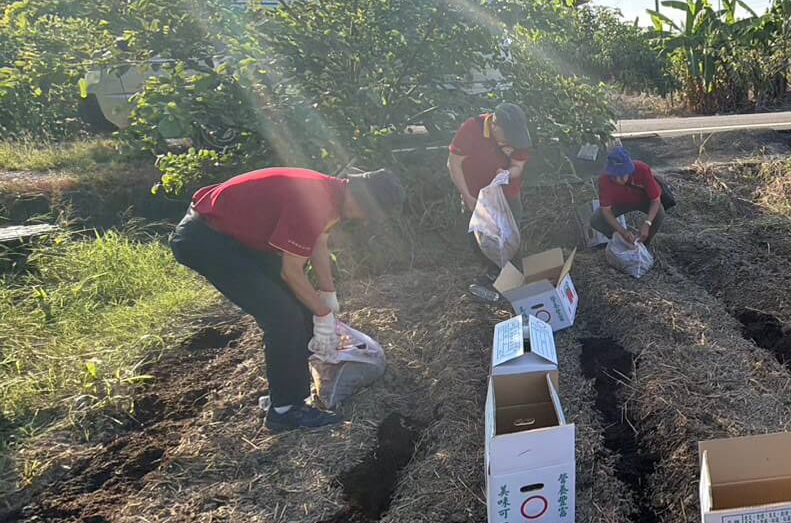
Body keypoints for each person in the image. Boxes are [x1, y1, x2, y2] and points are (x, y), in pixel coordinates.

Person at [169, 166, 405, 432]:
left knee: (302, 310)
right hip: (206, 240)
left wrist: (327, 294)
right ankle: (284, 411)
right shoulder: (314, 202)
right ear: (362, 198)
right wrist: (324, 316)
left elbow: (319, 242)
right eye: (368, 213)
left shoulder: (333, 193)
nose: (363, 220)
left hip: (233, 238)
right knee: (282, 317)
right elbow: (291, 272)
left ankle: (291, 392)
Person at [448, 102, 534, 227]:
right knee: (480, 241)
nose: (510, 141)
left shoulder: (519, 135)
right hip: (475, 197)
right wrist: (466, 196)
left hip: (508, 196)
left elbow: (518, 166)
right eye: (507, 137)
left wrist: (507, 174)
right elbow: (453, 163)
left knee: (510, 239)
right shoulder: (471, 128)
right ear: (494, 125)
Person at [592, 147, 675, 248]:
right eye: (614, 176)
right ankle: (620, 240)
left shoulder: (642, 169)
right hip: (620, 203)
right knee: (596, 220)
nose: (618, 180)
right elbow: (606, 210)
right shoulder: (604, 179)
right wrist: (622, 232)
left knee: (659, 213)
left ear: (629, 171)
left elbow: (655, 200)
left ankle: (644, 243)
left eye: (622, 175)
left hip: (643, 200)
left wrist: (647, 223)